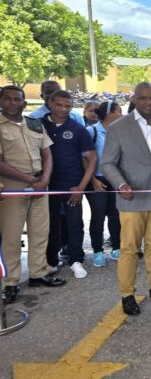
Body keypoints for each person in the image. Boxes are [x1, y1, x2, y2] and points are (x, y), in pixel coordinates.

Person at [101, 82, 151, 316]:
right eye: (143, 98)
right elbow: (108, 162)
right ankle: (127, 294)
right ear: (135, 99)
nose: (149, 103)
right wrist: (121, 184)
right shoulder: (119, 127)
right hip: (132, 198)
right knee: (130, 249)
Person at [0, 85, 66, 305]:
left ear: (24, 103)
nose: (13, 103)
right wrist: (30, 181)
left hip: (40, 183)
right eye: (8, 99)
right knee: (11, 234)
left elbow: (47, 153)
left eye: (17, 99)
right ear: (1, 102)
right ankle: (11, 282)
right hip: (13, 185)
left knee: (40, 230)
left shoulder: (35, 125)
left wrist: (44, 179)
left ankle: (39, 273)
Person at [41, 91, 97, 278]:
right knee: (49, 225)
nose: (63, 109)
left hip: (72, 185)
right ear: (50, 103)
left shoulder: (78, 129)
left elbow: (91, 158)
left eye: (68, 106)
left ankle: (76, 260)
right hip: (46, 186)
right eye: (59, 105)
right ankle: (50, 261)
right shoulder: (38, 125)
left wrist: (81, 186)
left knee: (74, 223)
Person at [86, 101, 123, 266]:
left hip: (115, 179)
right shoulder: (91, 131)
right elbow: (84, 158)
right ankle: (97, 252)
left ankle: (117, 248)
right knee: (98, 216)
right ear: (110, 113)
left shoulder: (120, 132)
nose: (121, 114)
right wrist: (93, 180)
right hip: (97, 180)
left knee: (115, 216)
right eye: (119, 111)